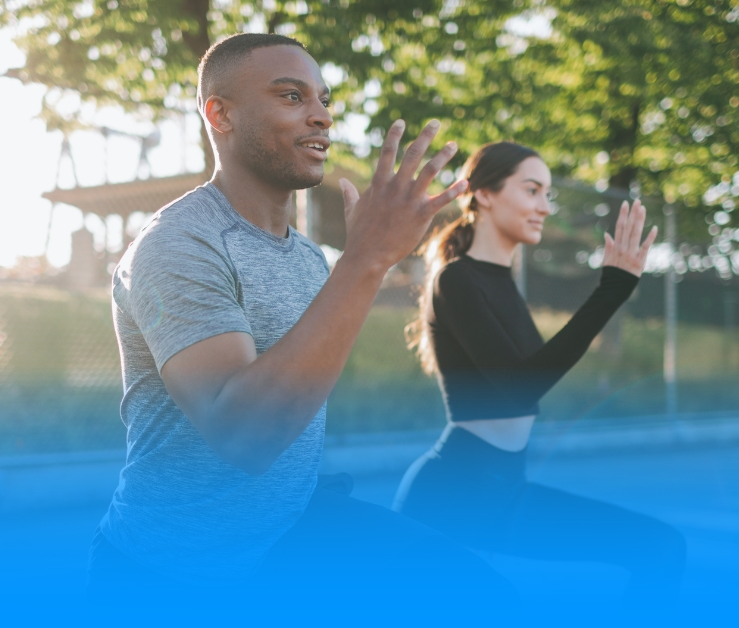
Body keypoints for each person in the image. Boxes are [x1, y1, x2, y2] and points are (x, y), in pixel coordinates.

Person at [87, 34, 518, 620]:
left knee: (486, 598)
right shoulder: (176, 246)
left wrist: (358, 263)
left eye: (324, 99)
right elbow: (245, 436)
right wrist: (366, 260)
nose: (321, 115)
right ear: (220, 114)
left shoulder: (308, 258)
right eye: (291, 96)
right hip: (171, 575)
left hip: (287, 534)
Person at [393, 142, 687, 609]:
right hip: (454, 493)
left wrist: (614, 288)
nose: (545, 207)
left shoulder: (499, 281)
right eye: (532, 191)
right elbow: (518, 390)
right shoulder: (456, 279)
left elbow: (532, 377)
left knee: (662, 547)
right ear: (485, 194)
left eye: (548, 194)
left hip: (505, 489)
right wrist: (610, 291)